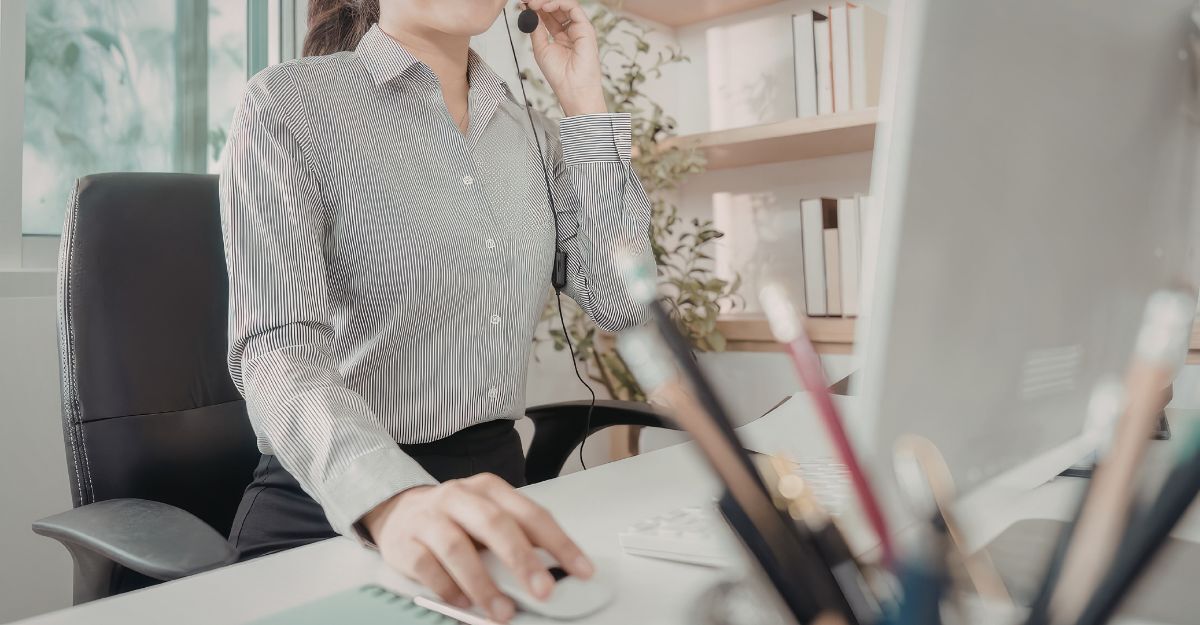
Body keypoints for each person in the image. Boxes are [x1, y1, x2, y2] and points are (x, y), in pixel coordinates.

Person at [218, 0, 653, 621]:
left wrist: (586, 104)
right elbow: (275, 352)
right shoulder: (288, 105)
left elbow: (625, 303)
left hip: (495, 501)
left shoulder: (528, 133)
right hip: (333, 512)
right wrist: (395, 499)